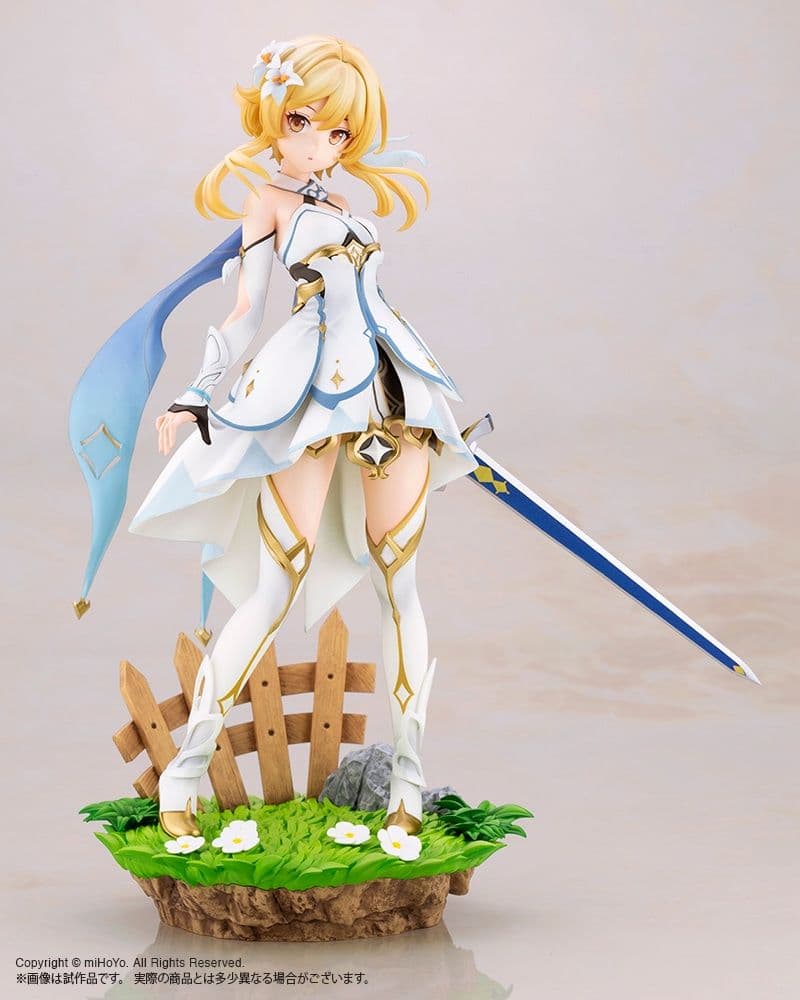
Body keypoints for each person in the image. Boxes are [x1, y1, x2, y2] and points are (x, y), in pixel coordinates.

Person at [81, 34, 479, 839]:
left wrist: (430, 388)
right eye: (302, 122)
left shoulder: (348, 209)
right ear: (274, 116)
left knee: (400, 587)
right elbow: (244, 311)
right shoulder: (268, 203)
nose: (318, 144)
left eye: (338, 131)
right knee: (272, 587)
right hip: (306, 399)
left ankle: (407, 786)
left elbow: (374, 308)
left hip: (394, 396)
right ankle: (184, 777)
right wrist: (198, 394)